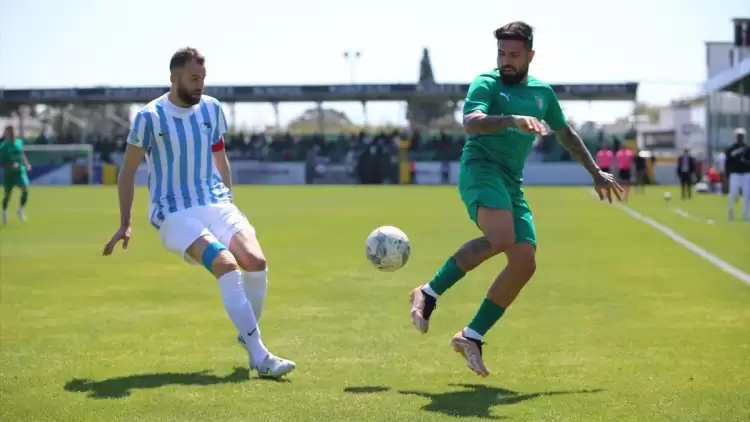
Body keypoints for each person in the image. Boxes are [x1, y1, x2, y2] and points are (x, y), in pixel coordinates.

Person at [408, 22, 623, 377]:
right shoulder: (486, 83)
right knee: (502, 238)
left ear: (530, 56)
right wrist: (512, 119)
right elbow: (471, 121)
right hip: (481, 168)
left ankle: (471, 336)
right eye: (502, 54)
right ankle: (428, 293)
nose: (506, 62)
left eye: (514, 55)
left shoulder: (542, 94)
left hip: (511, 180)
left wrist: (595, 171)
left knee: (524, 262)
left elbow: (566, 133)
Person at [102, 47, 295, 378]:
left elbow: (220, 157)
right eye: (193, 78)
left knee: (256, 262)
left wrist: (229, 201)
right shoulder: (149, 117)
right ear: (174, 77)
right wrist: (126, 222)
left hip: (216, 201)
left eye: (203, 78)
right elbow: (128, 171)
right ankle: (260, 355)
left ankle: (247, 335)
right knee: (227, 266)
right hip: (174, 212)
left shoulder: (212, 109)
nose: (200, 85)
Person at [0, 125, 32, 224]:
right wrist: (10, 164)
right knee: (8, 195)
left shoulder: (19, 142)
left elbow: (22, 154)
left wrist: (27, 164)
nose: (12, 134)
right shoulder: (4, 147)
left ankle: (20, 210)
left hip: (20, 171)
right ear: (6, 133)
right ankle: (4, 212)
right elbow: (1, 162)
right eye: (9, 132)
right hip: (10, 173)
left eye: (13, 131)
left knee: (25, 189)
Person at [725, 128, 749, 221]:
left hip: (745, 174)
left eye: (741, 136)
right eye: (738, 136)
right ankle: (731, 212)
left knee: (746, 195)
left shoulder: (747, 148)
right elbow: (727, 162)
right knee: (732, 195)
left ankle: (744, 214)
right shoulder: (731, 148)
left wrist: (746, 162)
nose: (740, 137)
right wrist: (727, 174)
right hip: (734, 174)